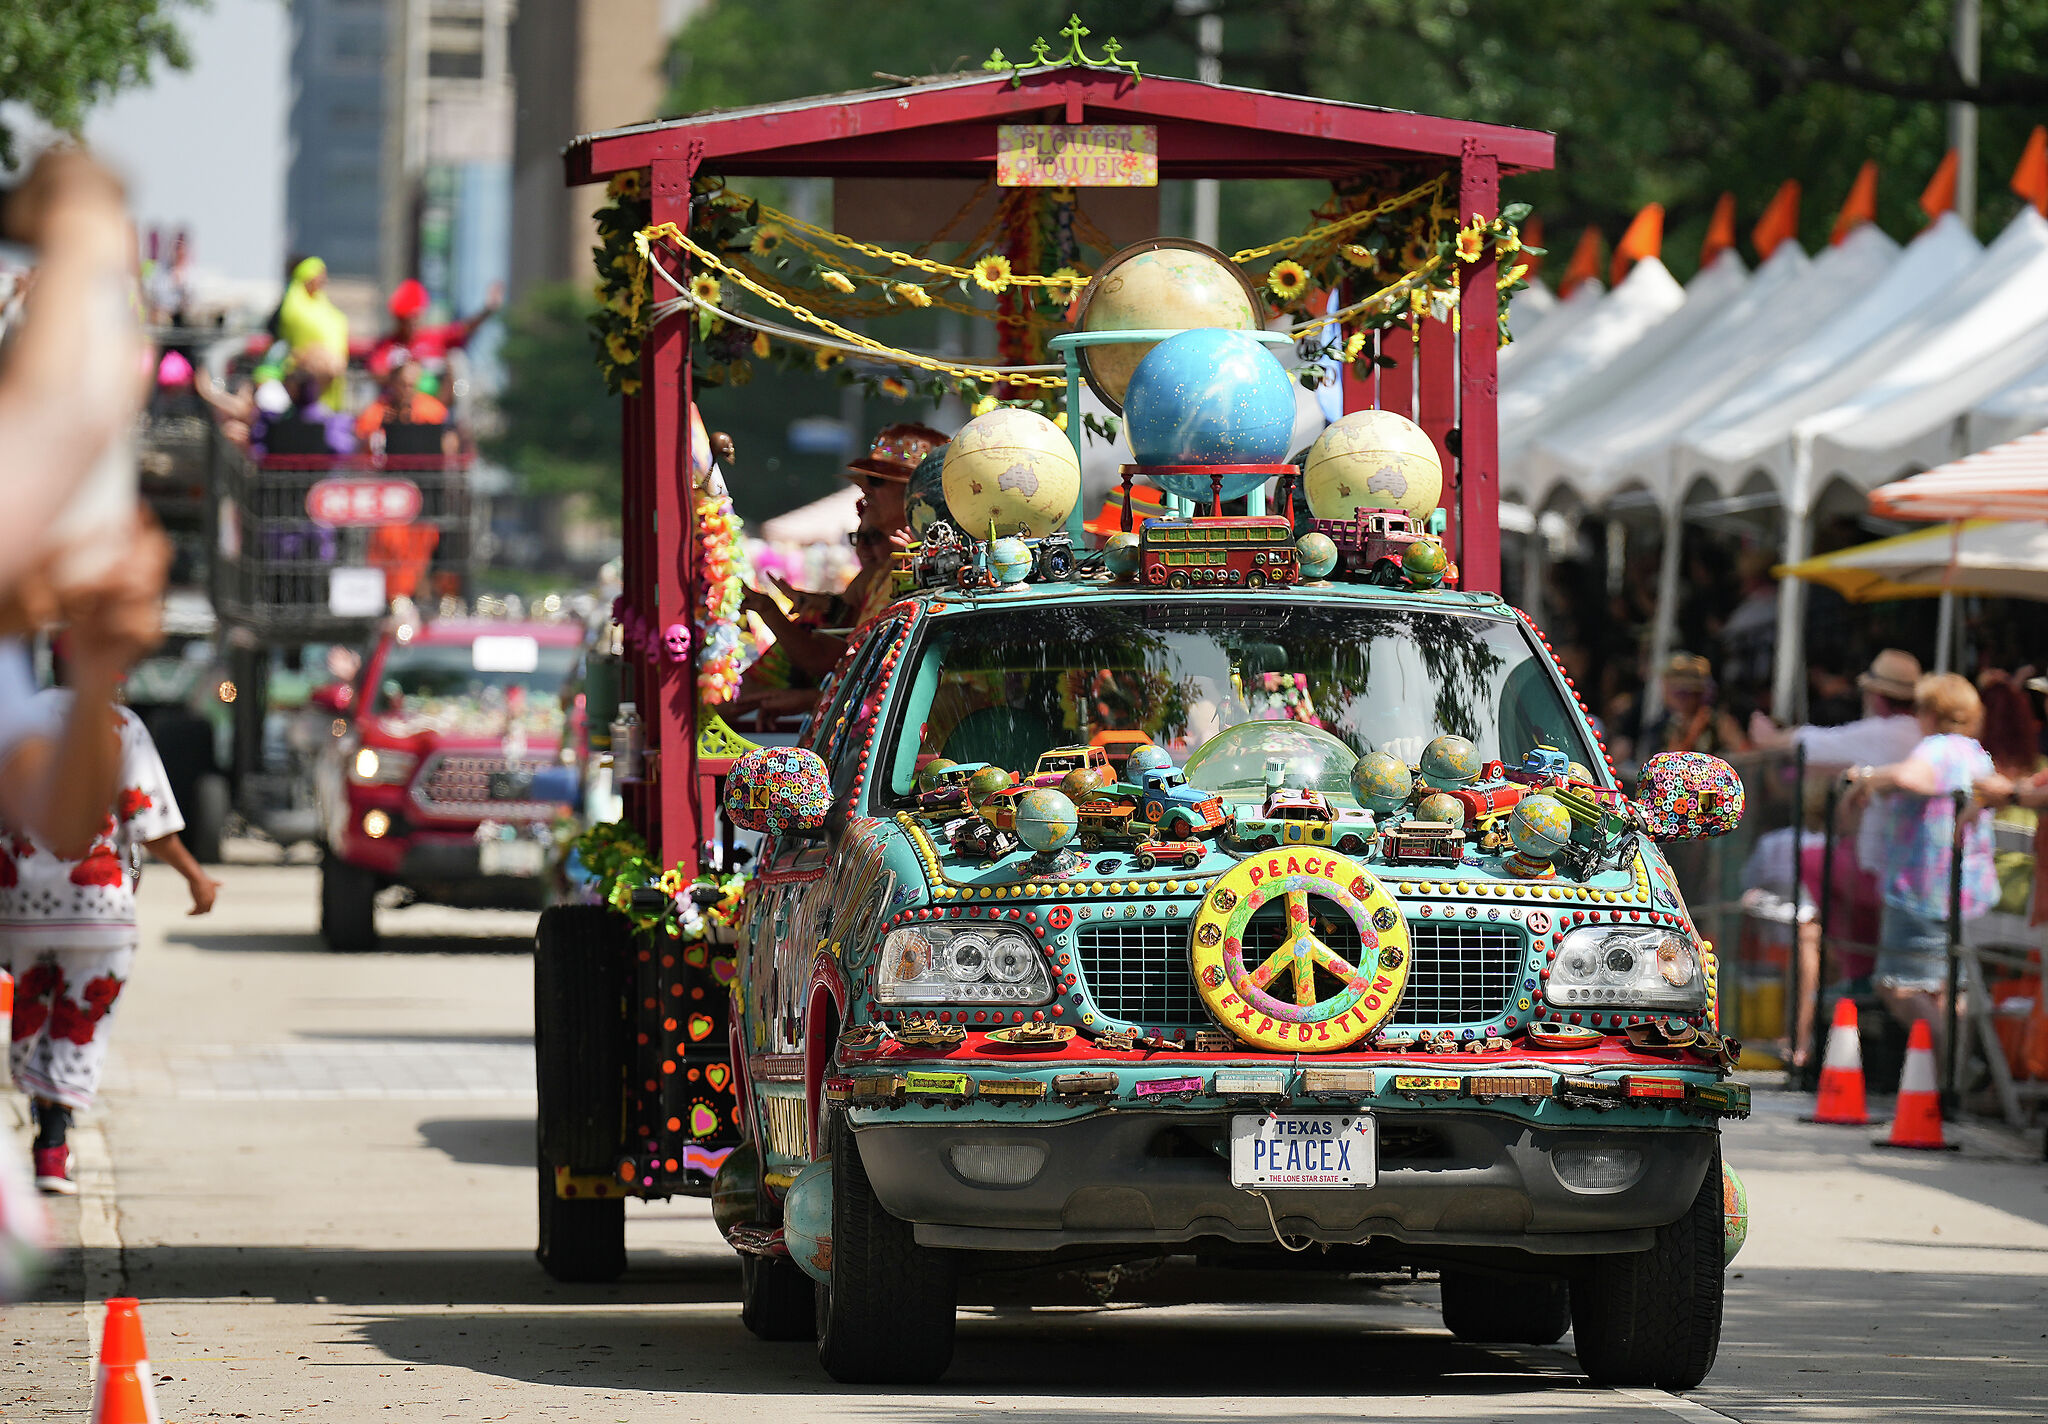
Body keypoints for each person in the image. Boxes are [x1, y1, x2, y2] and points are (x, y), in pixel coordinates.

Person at [1, 686, 219, 1193]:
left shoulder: (16, 720)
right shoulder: (119, 725)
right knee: (80, 1022)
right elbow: (149, 822)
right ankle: (52, 1143)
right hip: (96, 908)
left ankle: (45, 1112)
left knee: (33, 1016)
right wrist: (196, 876)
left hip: (21, 907)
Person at [1848, 672, 1999, 1058]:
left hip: (1922, 887)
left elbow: (1911, 777)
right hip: (1966, 889)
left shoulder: (1938, 748)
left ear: (1930, 712)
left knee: (1894, 984)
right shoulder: (1976, 753)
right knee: (1949, 988)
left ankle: (1953, 1063)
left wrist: (1867, 778)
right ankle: (1952, 1077)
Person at [738, 424, 941, 699]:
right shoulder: (878, 574)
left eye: (877, 481)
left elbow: (828, 661)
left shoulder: (939, 567)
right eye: (861, 538)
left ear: (917, 492)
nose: (864, 493)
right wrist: (824, 605)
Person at [1750, 648, 1924, 771]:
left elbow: (1811, 744)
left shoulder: (1881, 733)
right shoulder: (1925, 731)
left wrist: (1769, 738)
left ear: (1877, 696)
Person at [366, 277, 502, 381]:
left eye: (415, 317)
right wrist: (403, 372)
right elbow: (376, 371)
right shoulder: (386, 346)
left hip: (433, 410)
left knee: (457, 362)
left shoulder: (435, 337)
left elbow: (465, 328)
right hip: (395, 411)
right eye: (405, 320)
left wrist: (487, 310)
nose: (411, 324)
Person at [1636, 651, 1745, 760]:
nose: (1682, 697)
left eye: (1685, 692)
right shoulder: (1664, 725)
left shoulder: (1718, 722)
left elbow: (1743, 754)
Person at [275, 256, 349, 409]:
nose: (323, 279)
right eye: (319, 275)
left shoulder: (323, 305)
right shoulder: (293, 305)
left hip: (330, 379)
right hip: (304, 376)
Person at [354, 359, 449, 441]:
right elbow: (362, 439)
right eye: (403, 385)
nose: (407, 391)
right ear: (393, 382)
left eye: (411, 385)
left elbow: (444, 435)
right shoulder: (377, 410)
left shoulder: (431, 408)